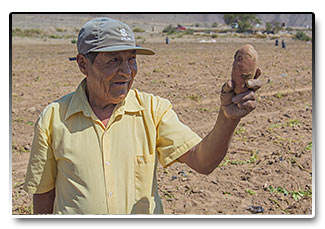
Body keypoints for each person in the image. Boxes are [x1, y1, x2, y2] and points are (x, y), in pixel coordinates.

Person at [23, 17, 262, 215]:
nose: (126, 72)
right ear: (83, 64)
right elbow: (44, 195)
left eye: (131, 59)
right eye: (114, 60)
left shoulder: (153, 110)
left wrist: (228, 118)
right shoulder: (54, 118)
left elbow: (203, 161)